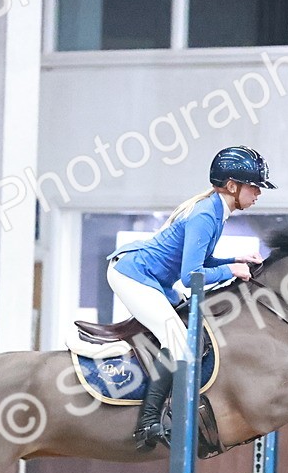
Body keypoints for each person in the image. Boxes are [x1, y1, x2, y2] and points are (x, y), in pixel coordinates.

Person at [107, 145, 274, 451]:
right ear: (232, 186)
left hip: (152, 277)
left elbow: (201, 262)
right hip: (133, 274)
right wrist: (231, 272)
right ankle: (147, 422)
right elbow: (190, 278)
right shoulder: (206, 215)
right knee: (178, 340)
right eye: (254, 187)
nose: (258, 194)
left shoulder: (216, 211)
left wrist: (234, 260)